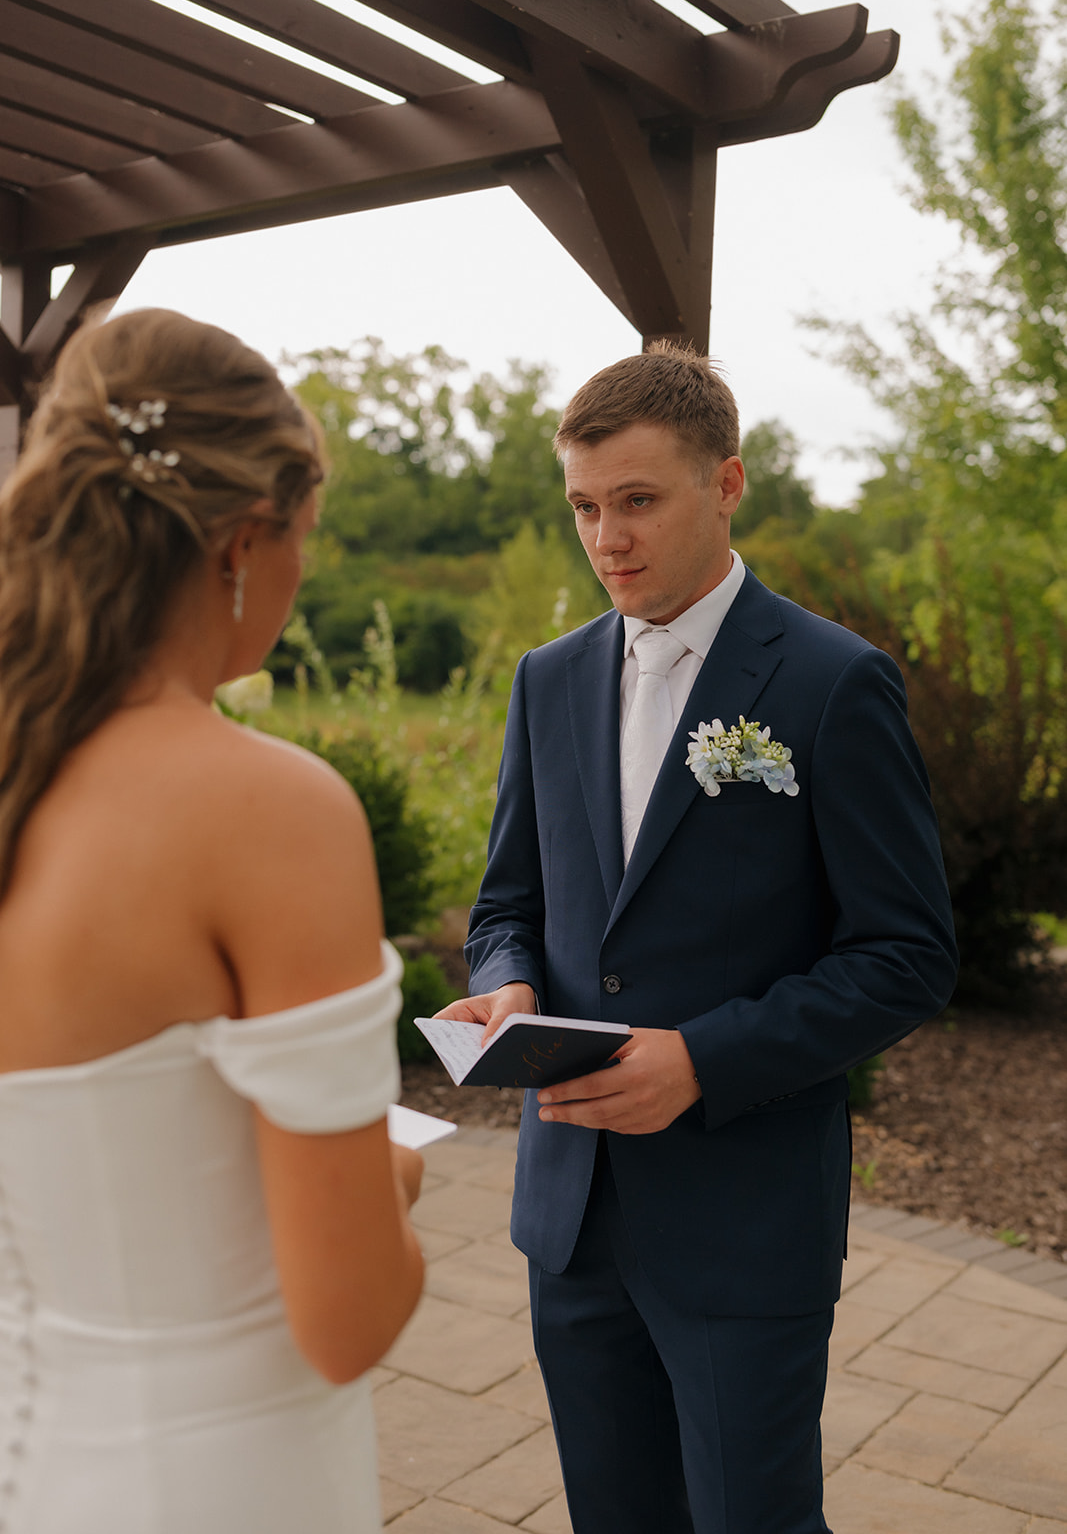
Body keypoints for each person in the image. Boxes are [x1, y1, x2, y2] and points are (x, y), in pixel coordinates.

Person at [438, 345, 957, 1534]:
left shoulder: (833, 683)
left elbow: (905, 952)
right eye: (582, 506)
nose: (605, 537)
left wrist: (702, 1060)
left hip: (741, 1215)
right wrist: (507, 986)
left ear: (725, 484)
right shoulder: (546, 679)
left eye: (636, 500)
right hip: (569, 1212)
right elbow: (509, 903)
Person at [0, 308, 423, 1532]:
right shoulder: (269, 811)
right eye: (303, 540)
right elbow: (344, 1319)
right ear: (246, 540)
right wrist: (386, 1187)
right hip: (212, 1476)